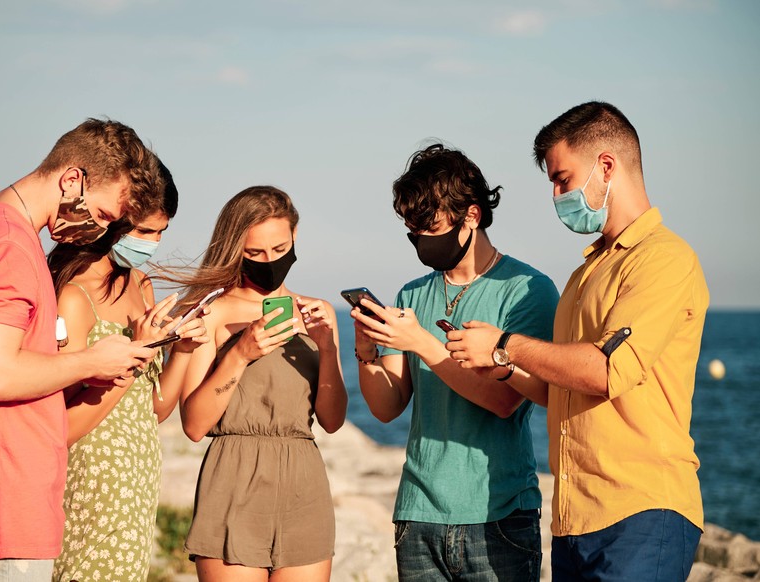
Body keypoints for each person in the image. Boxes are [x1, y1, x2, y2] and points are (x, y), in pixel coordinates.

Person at [445, 102, 709, 581]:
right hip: (575, 521)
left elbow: (606, 370)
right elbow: (562, 391)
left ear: (606, 165)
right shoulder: (584, 274)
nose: (556, 194)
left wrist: (505, 343)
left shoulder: (664, 259)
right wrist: (500, 366)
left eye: (562, 179)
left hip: (642, 512)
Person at [0, 118, 162, 581]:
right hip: (5, 504)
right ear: (72, 179)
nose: (100, 230)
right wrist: (93, 360)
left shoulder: (0, 232)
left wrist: (86, 370)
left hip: (11, 504)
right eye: (100, 214)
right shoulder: (6, 243)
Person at [350, 143, 559, 581]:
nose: (421, 241)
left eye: (430, 227)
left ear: (472, 216)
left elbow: (506, 401)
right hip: (417, 514)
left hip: (498, 514)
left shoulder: (527, 290)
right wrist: (366, 348)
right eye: (412, 232)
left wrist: (424, 343)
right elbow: (387, 407)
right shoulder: (412, 294)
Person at [175, 186, 347, 582]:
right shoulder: (211, 311)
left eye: (278, 249)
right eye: (254, 253)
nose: (269, 262)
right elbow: (194, 425)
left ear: (295, 238)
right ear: (235, 248)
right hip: (233, 479)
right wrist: (240, 354)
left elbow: (333, 420)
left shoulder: (316, 313)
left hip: (304, 483)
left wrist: (328, 347)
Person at [48, 161, 208, 582]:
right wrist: (136, 355)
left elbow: (153, 409)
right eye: (142, 231)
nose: (152, 244)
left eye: (160, 233)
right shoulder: (74, 296)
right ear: (111, 221)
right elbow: (60, 428)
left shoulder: (141, 285)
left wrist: (184, 350)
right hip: (91, 482)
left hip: (138, 479)